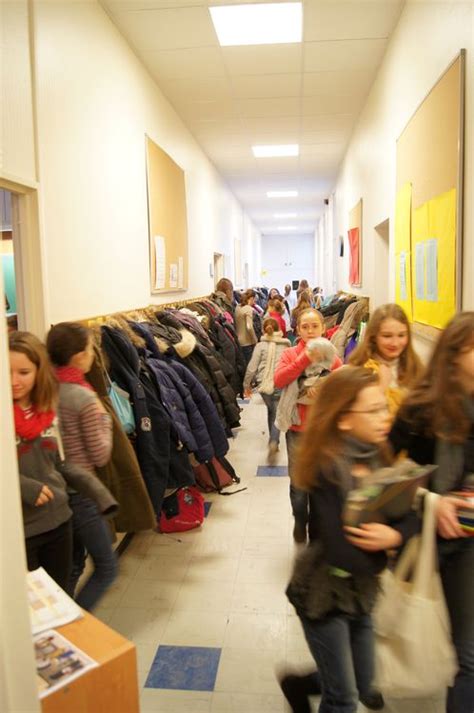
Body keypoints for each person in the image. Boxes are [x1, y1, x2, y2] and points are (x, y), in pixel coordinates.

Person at [281, 367, 419, 713]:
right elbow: (339, 547)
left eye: (383, 407)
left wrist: (395, 534)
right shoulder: (327, 469)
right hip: (323, 595)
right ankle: (318, 686)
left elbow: (408, 515)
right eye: (372, 411)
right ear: (343, 420)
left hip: (362, 591)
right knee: (343, 700)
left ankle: (299, 683)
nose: (384, 417)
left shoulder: (378, 455)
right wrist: (384, 550)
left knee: (361, 680)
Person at [390, 311, 474, 713]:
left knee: (469, 656)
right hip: (421, 533)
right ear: (456, 352)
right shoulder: (423, 408)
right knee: (391, 626)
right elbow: (384, 472)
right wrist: (430, 499)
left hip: (468, 542)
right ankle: (330, 678)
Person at [9, 331, 117, 591]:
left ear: (38, 371)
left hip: (60, 520)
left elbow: (59, 464)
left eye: (23, 372)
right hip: (22, 530)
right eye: (7, 371)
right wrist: (25, 487)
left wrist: (100, 494)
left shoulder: (47, 410)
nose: (14, 381)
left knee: (60, 593)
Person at [46, 322, 117, 611]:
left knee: (73, 564)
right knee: (107, 567)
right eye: (90, 349)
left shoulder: (45, 388)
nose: (93, 355)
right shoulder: (84, 397)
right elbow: (100, 455)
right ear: (78, 356)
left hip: (55, 490)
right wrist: (106, 419)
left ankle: (62, 623)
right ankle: (75, 627)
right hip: (81, 492)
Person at [274, 309, 342, 543]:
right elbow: (279, 380)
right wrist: (305, 357)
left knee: (322, 483)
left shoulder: (332, 356)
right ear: (298, 330)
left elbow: (342, 385)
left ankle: (317, 529)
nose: (311, 331)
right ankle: (300, 520)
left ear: (323, 328)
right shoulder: (290, 353)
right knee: (299, 483)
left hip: (324, 430)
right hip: (298, 429)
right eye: (305, 327)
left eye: (315, 326)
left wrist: (324, 387)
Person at [349, 303, 423, 417]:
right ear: (374, 337)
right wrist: (382, 387)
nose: (395, 343)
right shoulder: (359, 368)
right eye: (387, 336)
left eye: (401, 335)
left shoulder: (416, 368)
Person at [243, 317, 291, 463]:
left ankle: (273, 440)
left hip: (263, 384)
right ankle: (274, 442)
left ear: (264, 330)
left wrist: (246, 385)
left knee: (271, 411)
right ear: (279, 330)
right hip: (280, 382)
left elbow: (252, 367)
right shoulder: (287, 345)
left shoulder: (260, 346)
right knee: (276, 413)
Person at [235, 288, 258, 365]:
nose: (254, 302)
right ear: (251, 298)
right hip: (247, 341)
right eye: (254, 300)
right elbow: (249, 327)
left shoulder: (237, 307)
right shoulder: (248, 309)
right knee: (250, 365)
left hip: (239, 340)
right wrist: (255, 340)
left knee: (245, 364)